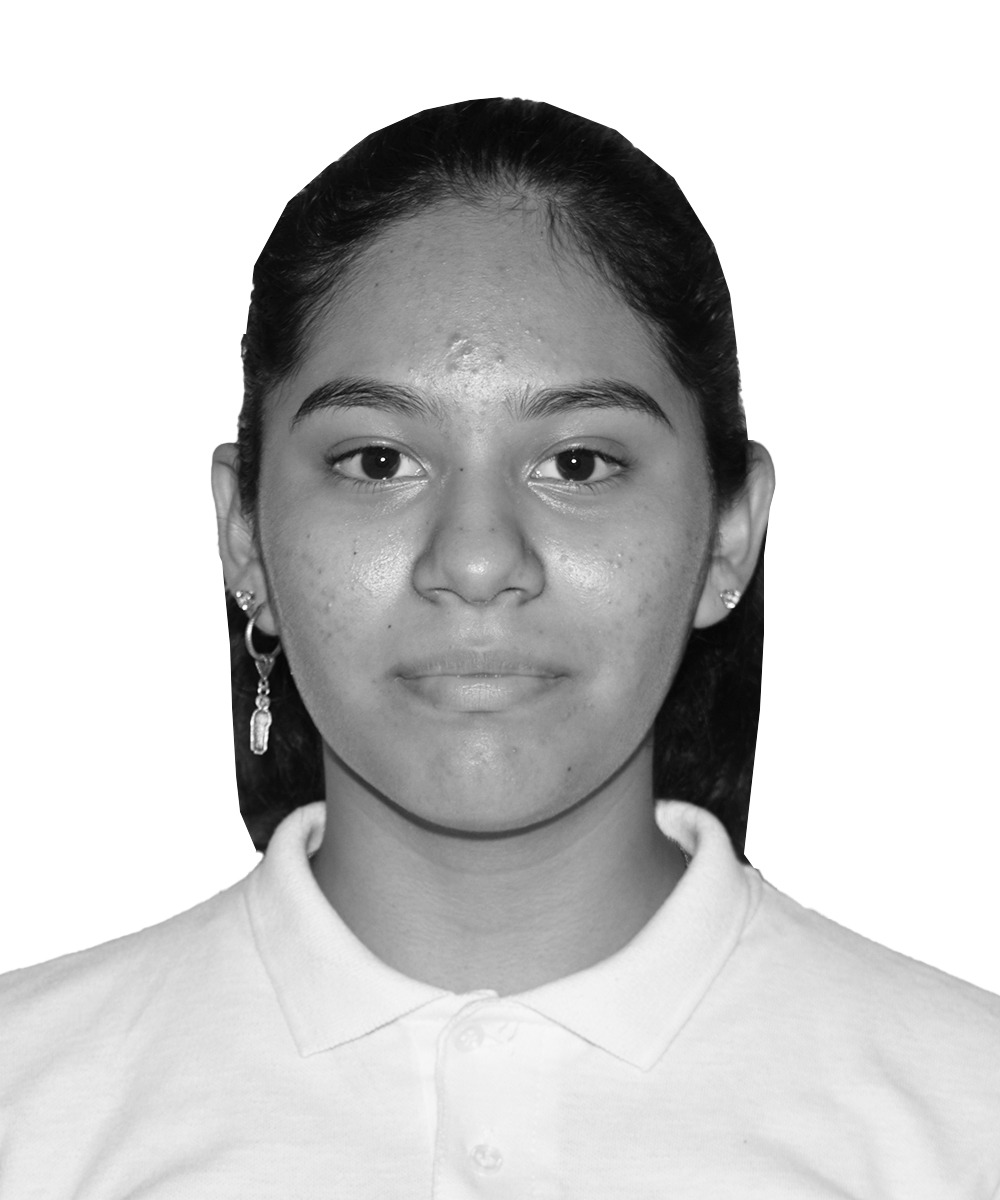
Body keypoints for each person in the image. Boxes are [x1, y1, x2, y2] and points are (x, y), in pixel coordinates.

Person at [1, 98, 997, 1197]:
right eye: (378, 462)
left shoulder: (967, 1122)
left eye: (577, 464)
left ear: (728, 535)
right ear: (245, 535)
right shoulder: (30, 1110)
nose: (476, 561)